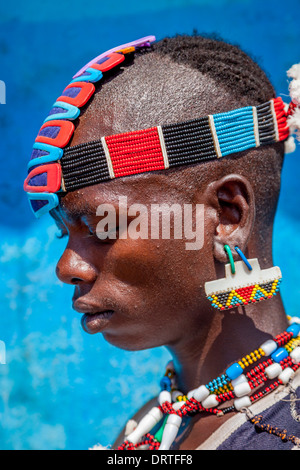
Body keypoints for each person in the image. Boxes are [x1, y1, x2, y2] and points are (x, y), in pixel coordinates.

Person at [24, 34, 300, 450]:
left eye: (104, 226)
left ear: (227, 215)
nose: (68, 268)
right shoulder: (149, 426)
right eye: (66, 232)